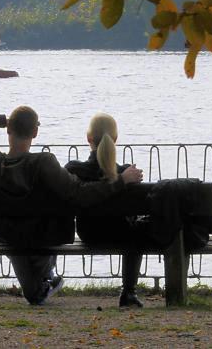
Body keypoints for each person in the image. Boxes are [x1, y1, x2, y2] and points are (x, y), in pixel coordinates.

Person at [0, 107, 143, 305]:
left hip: (5, 233)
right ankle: (43, 282)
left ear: (8, 130)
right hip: (40, 238)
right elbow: (79, 193)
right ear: (35, 133)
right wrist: (120, 181)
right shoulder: (44, 163)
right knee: (32, 237)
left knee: (14, 238)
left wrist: (3, 120)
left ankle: (40, 286)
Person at [65, 113, 147, 308]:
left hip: (88, 233)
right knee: (136, 232)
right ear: (116, 139)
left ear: (88, 139)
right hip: (123, 235)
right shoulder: (128, 172)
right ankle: (128, 292)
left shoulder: (74, 169)